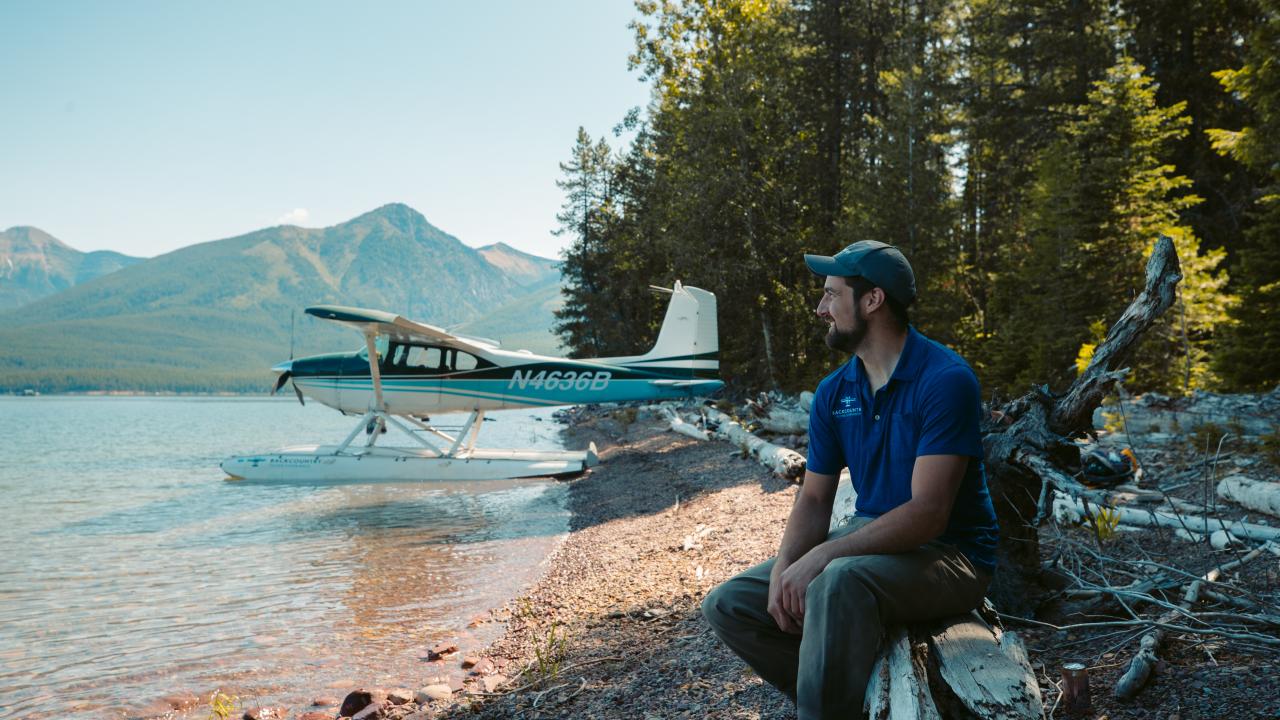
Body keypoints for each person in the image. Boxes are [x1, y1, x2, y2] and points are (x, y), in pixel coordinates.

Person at [701, 240, 999, 719]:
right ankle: (849, 704)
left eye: (830, 294)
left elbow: (928, 513)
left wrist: (820, 556)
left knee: (834, 579)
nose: (821, 309)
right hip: (870, 539)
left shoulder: (944, 379)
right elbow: (816, 499)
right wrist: (784, 567)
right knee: (730, 603)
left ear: (872, 300)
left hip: (952, 554)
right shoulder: (834, 392)